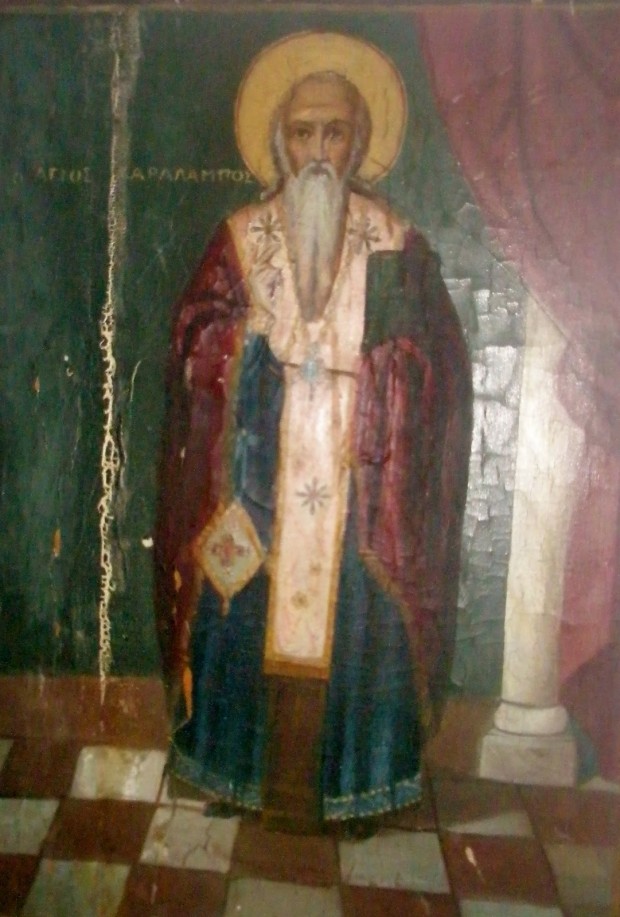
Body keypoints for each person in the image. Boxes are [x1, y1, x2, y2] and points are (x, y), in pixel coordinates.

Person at [156, 32, 472, 833]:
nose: (320, 151)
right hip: (254, 480)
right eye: (304, 133)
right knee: (236, 608)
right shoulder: (242, 236)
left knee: (363, 626)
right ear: (279, 141)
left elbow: (436, 365)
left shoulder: (395, 241)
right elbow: (193, 338)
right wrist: (245, 347)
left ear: (360, 140)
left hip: (360, 493)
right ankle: (235, 772)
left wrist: (378, 371)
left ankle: (353, 789)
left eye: (336, 132)